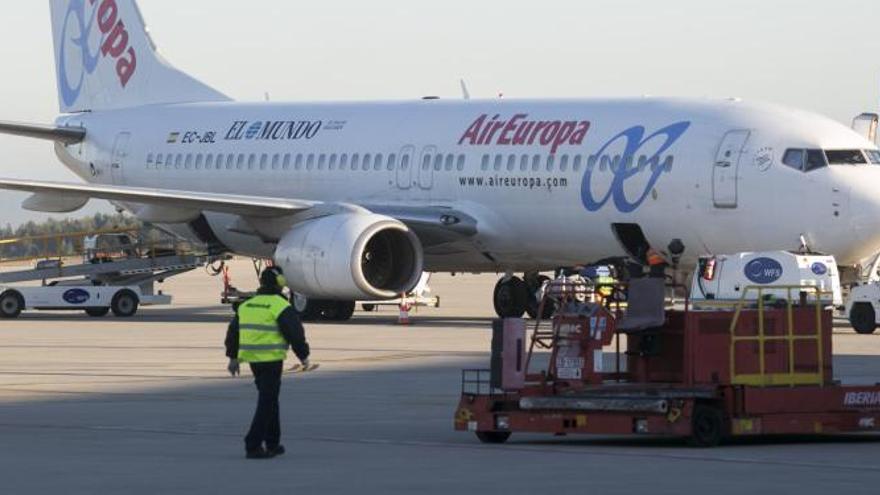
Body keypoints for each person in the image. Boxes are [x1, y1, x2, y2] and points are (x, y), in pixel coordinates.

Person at [225, 266, 310, 460]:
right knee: (266, 402)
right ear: (280, 283)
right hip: (272, 359)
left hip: (253, 360)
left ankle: (273, 442)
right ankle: (252, 444)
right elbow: (295, 334)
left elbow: (233, 333)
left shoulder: (247, 305)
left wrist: (233, 358)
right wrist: (304, 356)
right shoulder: (280, 306)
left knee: (270, 399)